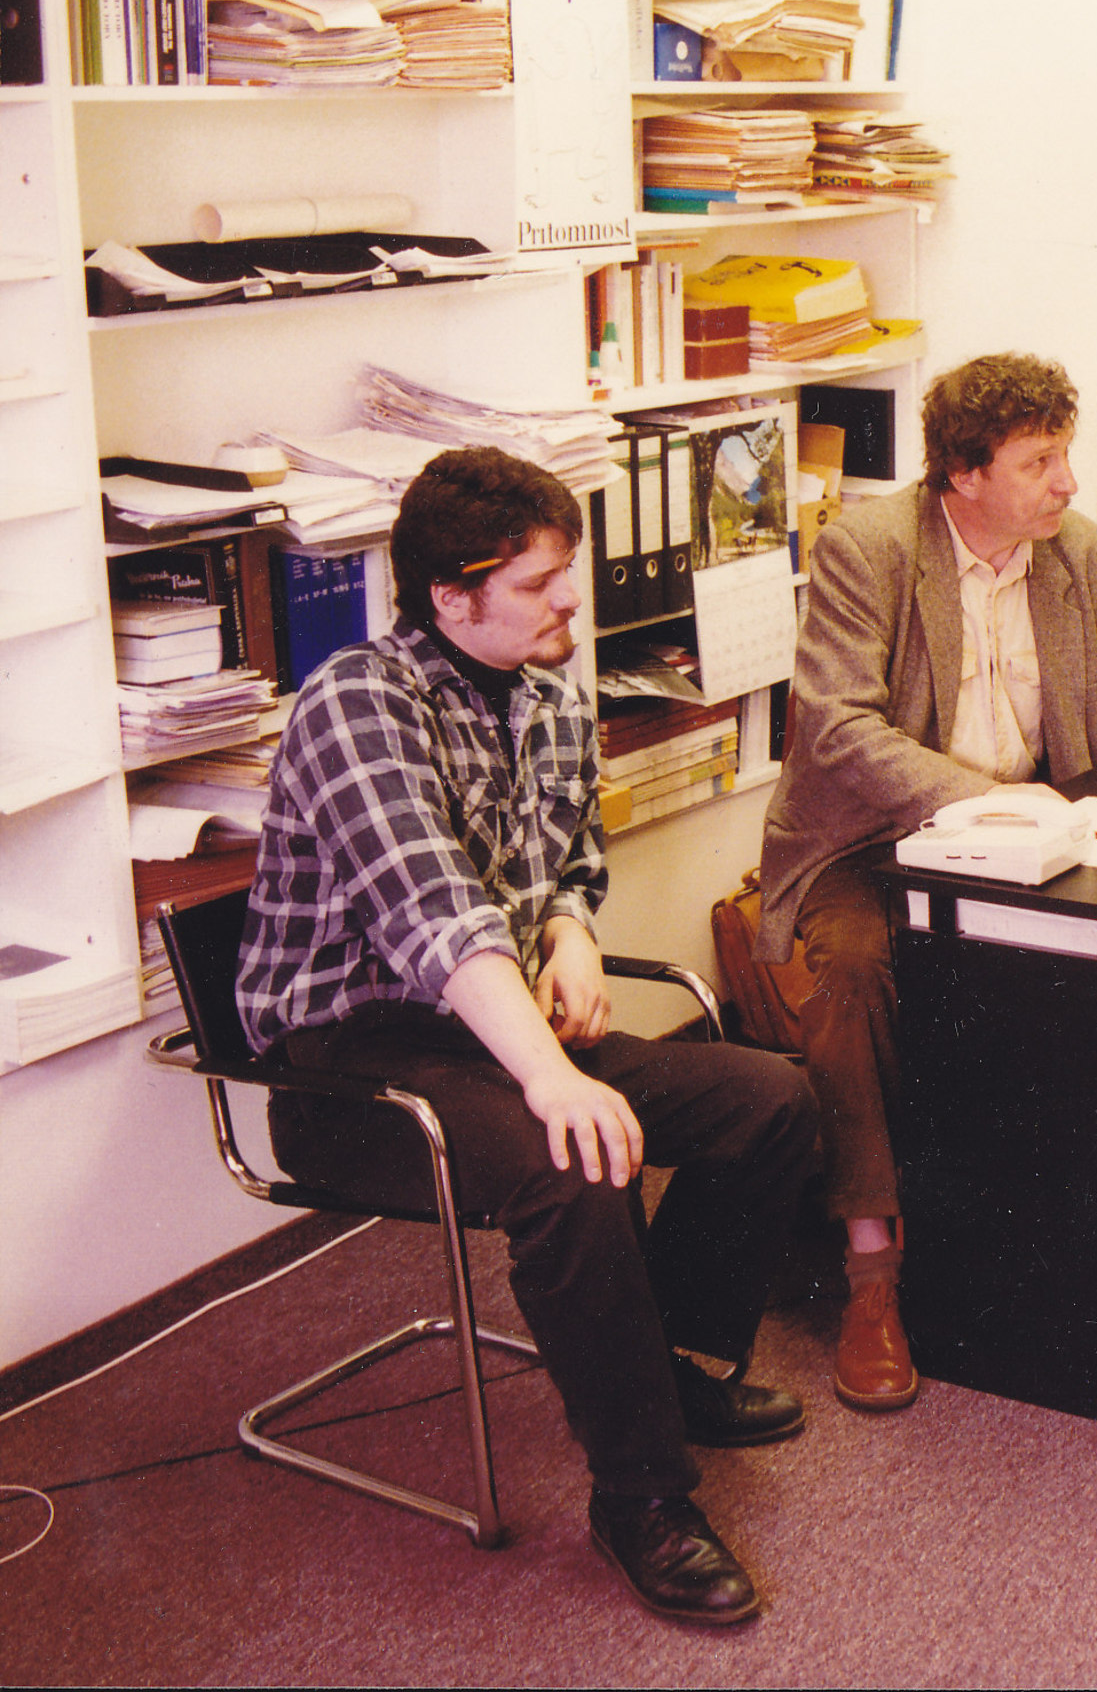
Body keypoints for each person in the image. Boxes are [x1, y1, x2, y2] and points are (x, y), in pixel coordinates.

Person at [238, 448, 818, 1625]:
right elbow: (435, 914)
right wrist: (550, 1074)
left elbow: (561, 867)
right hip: (351, 1064)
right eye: (540, 582)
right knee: (573, 1161)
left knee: (775, 1099)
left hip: (494, 1027)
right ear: (451, 600)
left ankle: (662, 1369)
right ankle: (641, 1496)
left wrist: (570, 934)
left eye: (569, 573)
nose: (570, 602)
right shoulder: (357, 703)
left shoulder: (551, 695)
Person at [754, 352, 1097, 1412]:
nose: (1068, 482)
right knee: (853, 974)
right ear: (963, 474)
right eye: (1039, 462)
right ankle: (871, 1271)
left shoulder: (1082, 554)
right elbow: (836, 726)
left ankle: (1079, 1234)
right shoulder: (870, 551)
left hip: (1033, 832)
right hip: (874, 838)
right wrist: (977, 799)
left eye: (1065, 453)